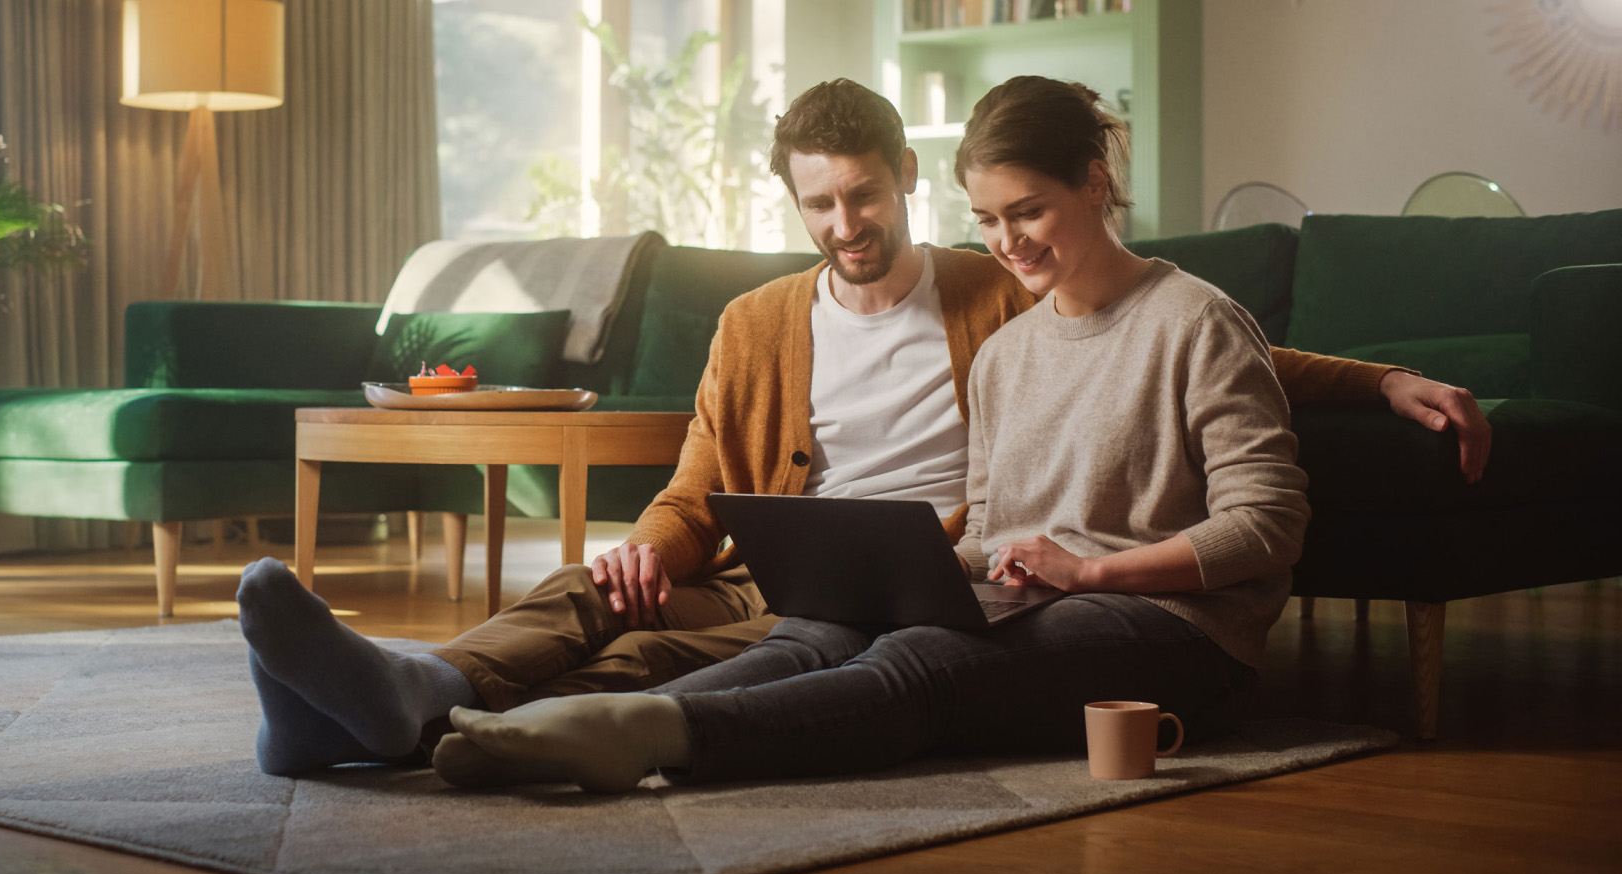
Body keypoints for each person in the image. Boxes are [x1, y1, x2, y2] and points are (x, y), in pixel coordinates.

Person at [235, 78, 1490, 776]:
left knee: (732, 662)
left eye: (865, 194)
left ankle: (473, 732)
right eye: (819, 204)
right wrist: (653, 550)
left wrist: (1376, 377)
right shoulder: (768, 324)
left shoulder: (999, 297)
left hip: (949, 577)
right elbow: (695, 486)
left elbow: (1197, 353)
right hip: (802, 571)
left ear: (900, 181)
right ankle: (403, 693)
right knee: (596, 595)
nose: (846, 222)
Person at [430, 74, 1314, 791]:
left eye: (1029, 212)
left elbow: (1267, 526)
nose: (1009, 243)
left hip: (1172, 625)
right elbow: (997, 520)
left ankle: (657, 734)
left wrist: (1089, 571)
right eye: (990, 221)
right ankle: (549, 725)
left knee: (921, 658)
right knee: (819, 635)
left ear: (1094, 183)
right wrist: (928, 569)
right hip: (1042, 600)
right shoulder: (1007, 353)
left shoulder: (1196, 320)